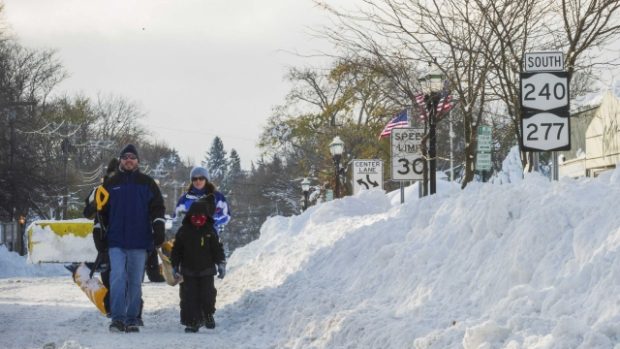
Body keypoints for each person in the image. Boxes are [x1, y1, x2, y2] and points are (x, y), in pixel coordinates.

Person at [99, 144, 166, 333]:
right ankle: (118, 319)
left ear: (138, 161)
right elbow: (100, 211)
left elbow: (158, 208)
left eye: (132, 157)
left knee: (135, 280)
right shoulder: (110, 183)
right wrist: (99, 233)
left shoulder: (147, 183)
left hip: (140, 241)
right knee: (118, 277)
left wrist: (158, 226)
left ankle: (132, 318)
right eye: (125, 157)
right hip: (116, 240)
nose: (129, 160)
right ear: (120, 160)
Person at [170, 195, 226, 333]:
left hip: (207, 271)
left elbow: (217, 249)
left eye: (201, 216)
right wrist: (175, 265)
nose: (198, 219)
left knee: (208, 295)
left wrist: (221, 263)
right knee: (190, 298)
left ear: (206, 217)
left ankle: (208, 314)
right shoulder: (184, 231)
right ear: (190, 216)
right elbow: (176, 250)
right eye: (195, 216)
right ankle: (193, 322)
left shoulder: (210, 231)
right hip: (188, 271)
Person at [175, 166, 230, 234]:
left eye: (201, 178)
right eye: (195, 179)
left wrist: (211, 220)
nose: (198, 181)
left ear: (206, 180)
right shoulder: (185, 198)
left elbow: (226, 216)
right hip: (189, 236)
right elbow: (176, 218)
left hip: (210, 235)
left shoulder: (217, 197)